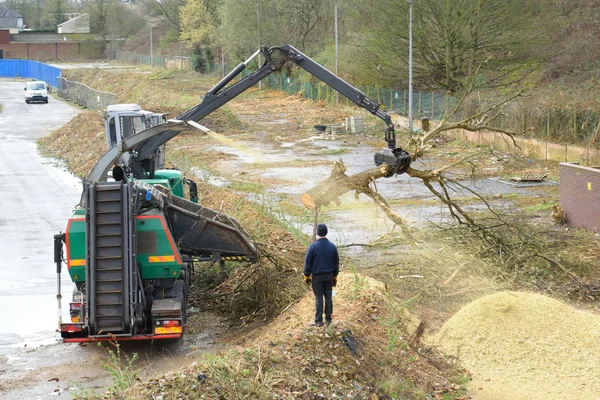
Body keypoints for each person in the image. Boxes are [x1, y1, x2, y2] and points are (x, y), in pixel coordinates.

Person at [304, 223, 339, 326]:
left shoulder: (313, 247)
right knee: (328, 297)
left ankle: (318, 321)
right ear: (326, 232)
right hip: (329, 276)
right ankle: (328, 319)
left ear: (318, 233)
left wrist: (306, 275)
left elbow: (308, 262)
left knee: (319, 298)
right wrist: (335, 275)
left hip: (317, 277)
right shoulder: (332, 247)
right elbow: (336, 262)